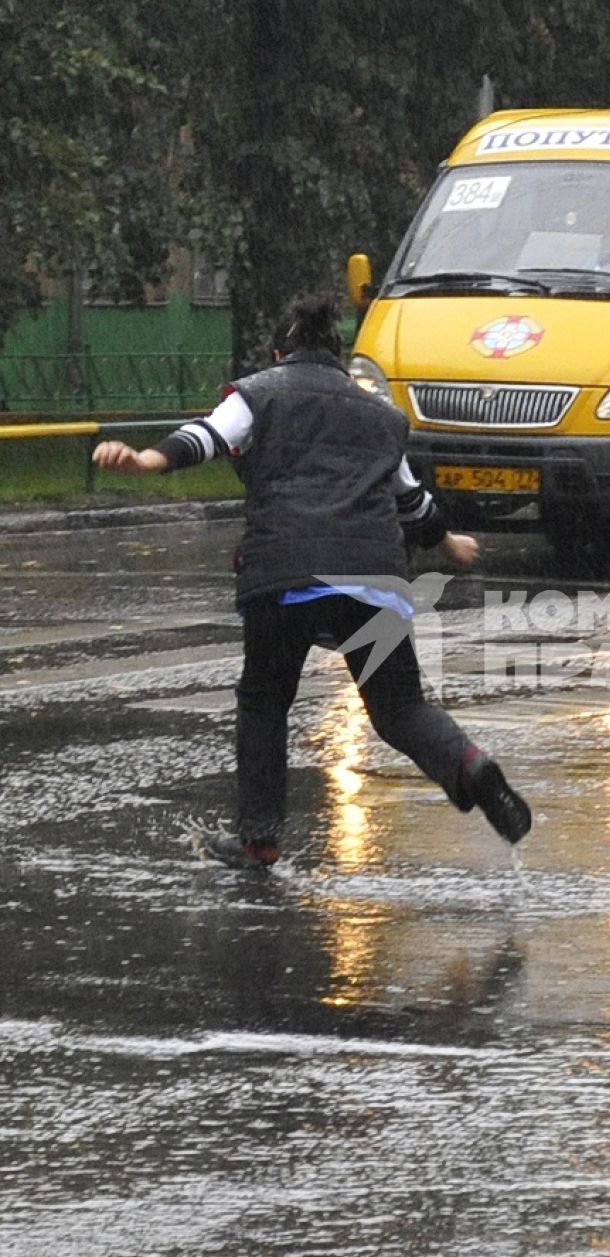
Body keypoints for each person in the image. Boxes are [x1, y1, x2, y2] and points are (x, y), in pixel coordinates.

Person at [92, 292, 531, 868]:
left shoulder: (260, 391)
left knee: (265, 703)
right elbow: (413, 502)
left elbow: (207, 436)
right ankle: (470, 765)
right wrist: (449, 545)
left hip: (287, 574)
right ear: (337, 358)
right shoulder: (378, 415)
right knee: (400, 708)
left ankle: (260, 840)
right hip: (373, 581)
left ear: (280, 352)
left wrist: (145, 461)